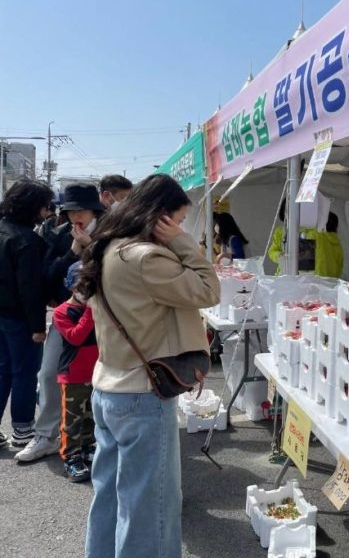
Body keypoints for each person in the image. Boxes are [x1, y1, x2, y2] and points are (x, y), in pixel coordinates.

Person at [78, 174, 220, 558]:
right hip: (141, 395)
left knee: (109, 497)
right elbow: (209, 288)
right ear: (162, 217)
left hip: (108, 387)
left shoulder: (109, 248)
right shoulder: (146, 256)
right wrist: (184, 243)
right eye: (178, 219)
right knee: (150, 509)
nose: (180, 227)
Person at [16, 183, 104, 462]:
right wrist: (75, 250)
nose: (75, 215)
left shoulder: (112, 233)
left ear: (94, 209)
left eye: (81, 209)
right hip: (70, 316)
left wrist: (94, 250)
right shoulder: (58, 234)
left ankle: (100, 437)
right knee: (49, 372)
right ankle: (46, 435)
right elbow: (47, 277)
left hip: (109, 317)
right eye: (69, 210)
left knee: (103, 376)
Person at [0, 180, 54, 448]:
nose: (47, 212)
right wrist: (38, 327)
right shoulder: (27, 240)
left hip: (2, 315)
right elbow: (29, 289)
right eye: (45, 207)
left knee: (3, 370)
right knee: (24, 372)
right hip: (19, 318)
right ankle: (22, 428)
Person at [52, 262, 97, 482]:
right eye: (81, 286)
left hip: (96, 374)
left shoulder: (96, 308)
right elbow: (76, 336)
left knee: (91, 416)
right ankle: (71, 456)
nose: (85, 292)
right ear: (71, 287)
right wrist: (89, 310)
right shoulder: (62, 312)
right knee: (72, 420)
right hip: (73, 376)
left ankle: (88, 448)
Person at [268, 198, 340, 278]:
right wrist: (280, 256)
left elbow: (323, 261)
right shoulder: (280, 232)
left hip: (311, 281)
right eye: (287, 212)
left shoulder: (316, 233)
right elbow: (272, 251)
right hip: (285, 276)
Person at [314, 212, 344, 279]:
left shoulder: (317, 237)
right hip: (332, 283)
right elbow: (340, 265)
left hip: (317, 282)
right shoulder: (338, 243)